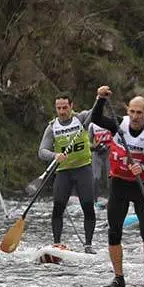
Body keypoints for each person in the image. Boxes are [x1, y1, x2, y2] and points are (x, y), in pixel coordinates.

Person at [90, 88, 144, 287]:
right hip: (119, 184)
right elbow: (96, 118)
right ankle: (118, 278)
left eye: (139, 113)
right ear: (127, 111)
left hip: (142, 186)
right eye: (132, 112)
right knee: (114, 232)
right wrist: (100, 99)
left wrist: (143, 167)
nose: (135, 116)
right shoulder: (118, 125)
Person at [38, 92, 97, 252]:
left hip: (83, 169)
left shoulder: (81, 118)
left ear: (71, 106)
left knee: (88, 206)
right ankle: (57, 243)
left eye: (65, 107)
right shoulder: (52, 127)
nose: (62, 111)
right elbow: (42, 151)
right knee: (58, 208)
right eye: (58, 108)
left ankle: (88, 245)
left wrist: (100, 98)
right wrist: (54, 155)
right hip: (64, 172)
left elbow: (96, 111)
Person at [88, 119, 113, 201]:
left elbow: (118, 139)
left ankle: (111, 199)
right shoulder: (92, 125)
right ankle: (94, 200)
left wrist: (108, 146)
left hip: (109, 152)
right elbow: (88, 142)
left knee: (110, 176)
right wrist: (94, 147)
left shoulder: (111, 122)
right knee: (95, 177)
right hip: (97, 153)